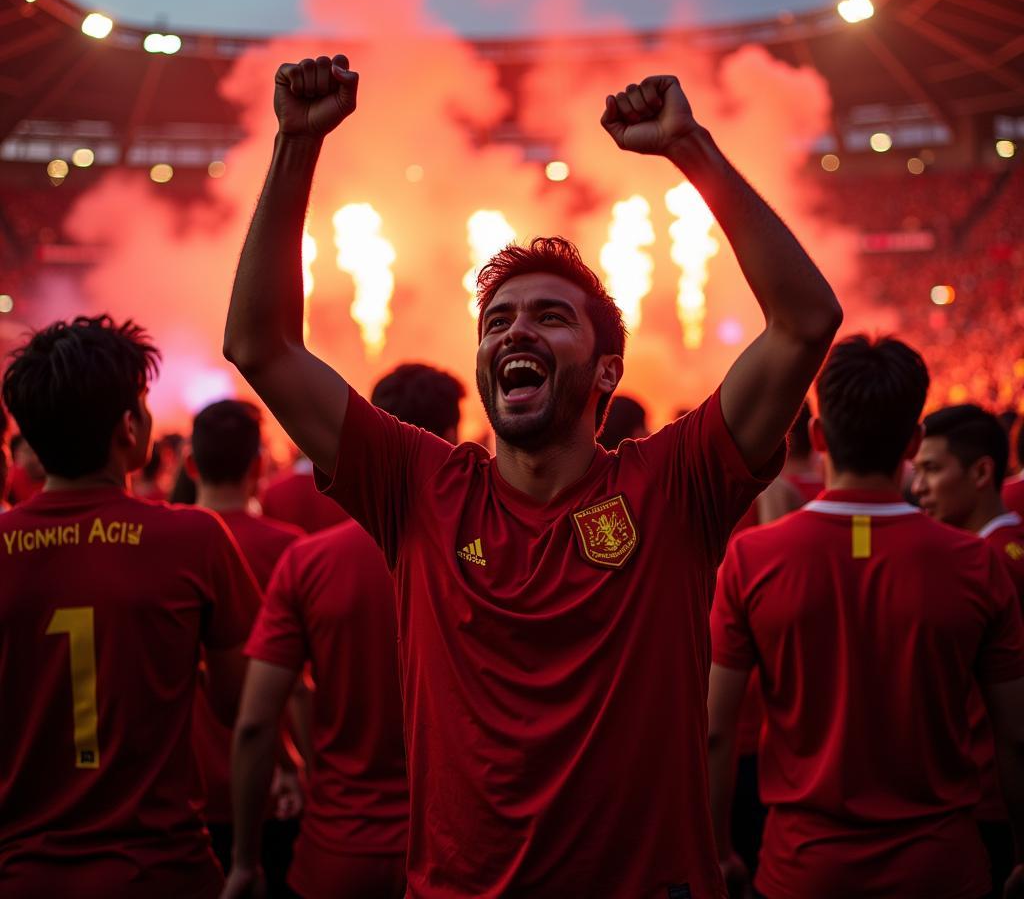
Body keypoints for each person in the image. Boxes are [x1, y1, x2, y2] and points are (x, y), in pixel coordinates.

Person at [223, 54, 842, 897]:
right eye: (497, 321)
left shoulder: (675, 484)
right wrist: (295, 146)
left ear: (606, 373)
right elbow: (260, 347)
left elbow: (806, 320)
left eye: (551, 317)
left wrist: (690, 147)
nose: (515, 333)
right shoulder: (418, 485)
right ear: (481, 364)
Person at [708, 335, 1024, 899]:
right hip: (941, 871)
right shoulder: (976, 565)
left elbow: (713, 730)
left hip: (801, 871)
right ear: (913, 442)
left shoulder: (753, 559)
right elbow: (1016, 736)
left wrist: (718, 850)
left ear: (818, 436)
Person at [0, 316, 261, 899]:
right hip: (163, 873)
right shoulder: (193, 539)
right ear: (127, 425)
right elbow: (235, 703)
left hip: (22, 875)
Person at [223, 363, 464, 899]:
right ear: (450, 439)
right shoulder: (489, 558)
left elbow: (256, 724)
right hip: (456, 854)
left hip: (338, 853)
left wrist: (244, 861)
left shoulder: (309, 562)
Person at [186, 399, 305, 887]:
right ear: (259, 464)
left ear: (192, 465)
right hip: (270, 785)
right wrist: (295, 766)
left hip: (185, 789)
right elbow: (299, 682)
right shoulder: (293, 549)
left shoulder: (164, 544)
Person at [913, 402, 1024, 892]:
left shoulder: (986, 563)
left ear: (981, 472)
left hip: (991, 798)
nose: (918, 488)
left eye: (932, 470)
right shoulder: (1006, 546)